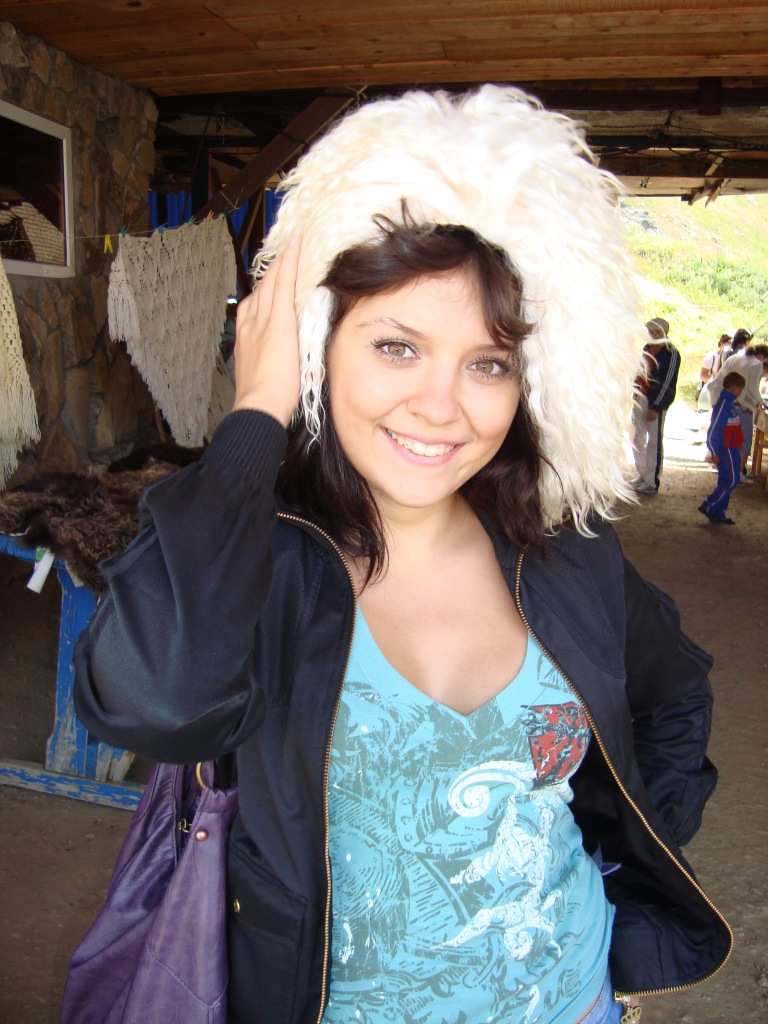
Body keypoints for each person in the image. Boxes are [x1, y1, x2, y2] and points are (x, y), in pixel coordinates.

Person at [72, 88, 731, 1024]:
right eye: (396, 347)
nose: (441, 406)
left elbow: (674, 696)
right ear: (317, 348)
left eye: (488, 363)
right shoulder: (264, 565)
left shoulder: (564, 551)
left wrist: (618, 856)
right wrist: (255, 416)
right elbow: (153, 704)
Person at [630, 318, 681, 494]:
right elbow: (640, 372)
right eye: (650, 332)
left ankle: (652, 481)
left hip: (655, 401)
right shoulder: (647, 349)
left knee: (654, 442)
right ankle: (643, 473)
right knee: (636, 437)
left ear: (664, 333)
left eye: (656, 332)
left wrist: (657, 406)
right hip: (640, 398)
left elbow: (669, 382)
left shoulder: (671, 353)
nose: (652, 335)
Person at [707, 341, 768, 483]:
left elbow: (721, 376)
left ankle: (727, 468)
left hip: (725, 401)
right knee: (744, 440)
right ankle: (738, 472)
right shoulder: (757, 364)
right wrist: (761, 402)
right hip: (742, 405)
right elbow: (752, 388)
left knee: (727, 437)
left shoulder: (735, 357)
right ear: (761, 356)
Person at [698, 370, 746, 524]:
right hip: (726, 449)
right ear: (735, 388)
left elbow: (731, 427)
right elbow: (714, 430)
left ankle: (718, 511)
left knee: (725, 479)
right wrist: (713, 451)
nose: (740, 392)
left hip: (732, 447)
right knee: (732, 480)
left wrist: (737, 441)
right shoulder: (724, 404)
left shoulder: (729, 403)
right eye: (740, 389)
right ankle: (709, 505)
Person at [695, 333, 731, 411]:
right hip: (712, 392)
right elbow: (703, 375)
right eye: (729, 343)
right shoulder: (712, 356)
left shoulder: (732, 358)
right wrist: (717, 378)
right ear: (722, 343)